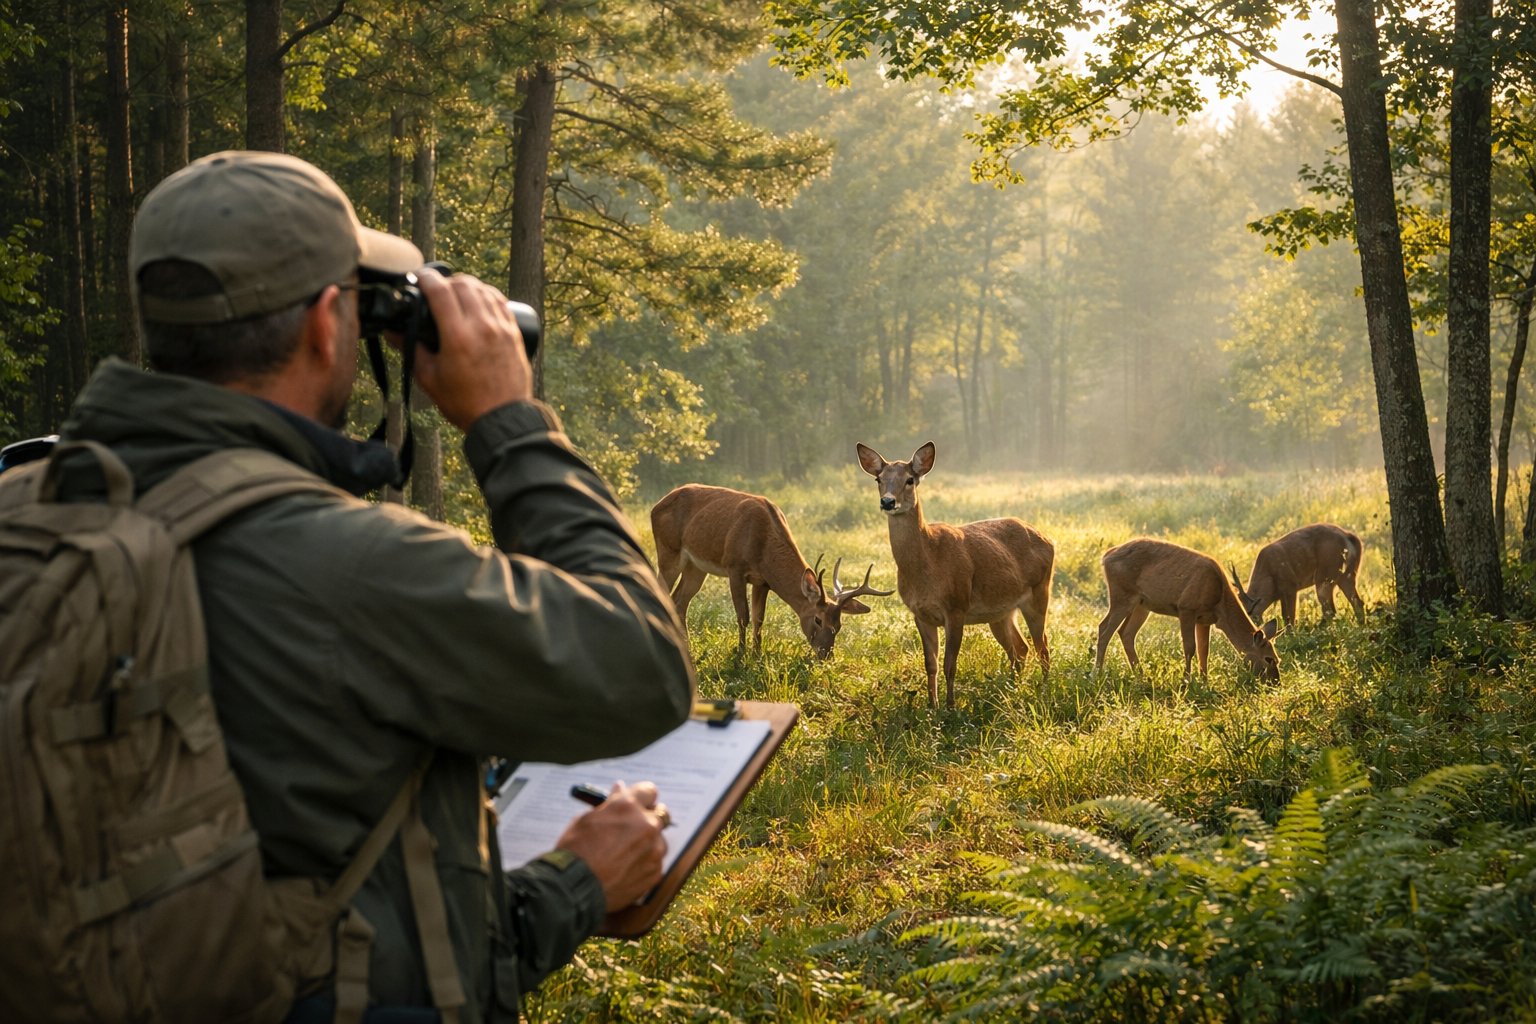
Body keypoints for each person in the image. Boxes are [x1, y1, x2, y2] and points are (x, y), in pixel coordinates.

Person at [50, 151, 697, 1020]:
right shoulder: (350, 566)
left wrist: (573, 883)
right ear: (327, 323)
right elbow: (642, 666)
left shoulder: (36, 510)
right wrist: (511, 422)